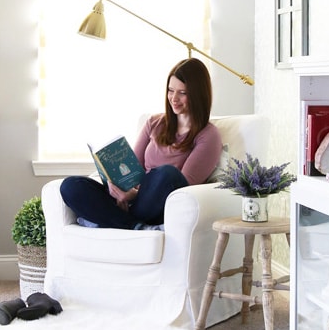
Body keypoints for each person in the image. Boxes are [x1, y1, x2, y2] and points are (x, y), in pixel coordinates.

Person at [59, 57, 223, 230]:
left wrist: (133, 196)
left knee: (167, 174)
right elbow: (132, 167)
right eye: (170, 90)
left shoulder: (208, 135)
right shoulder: (154, 122)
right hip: (131, 198)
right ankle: (134, 225)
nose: (174, 98)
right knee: (71, 186)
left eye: (182, 93)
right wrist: (120, 190)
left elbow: (185, 187)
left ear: (198, 95)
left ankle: (107, 220)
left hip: (159, 203)